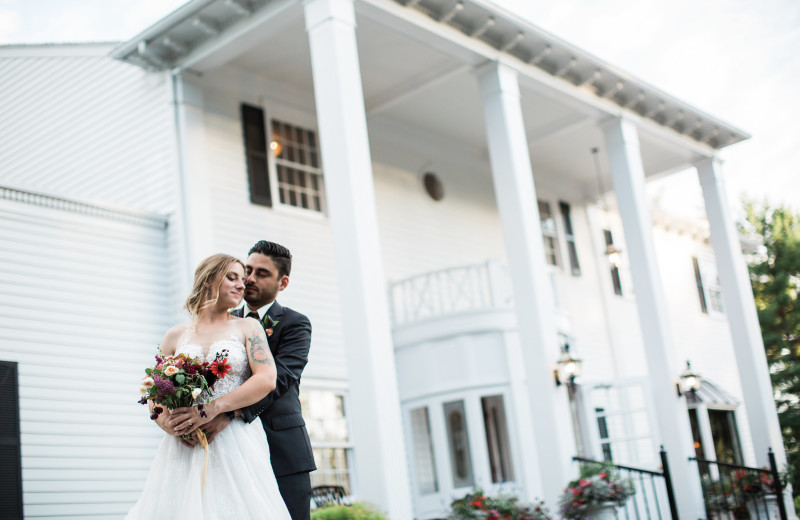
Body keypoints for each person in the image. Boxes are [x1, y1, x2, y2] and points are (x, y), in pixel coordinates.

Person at [125, 254, 291, 519]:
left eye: (243, 280)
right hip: (182, 445)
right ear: (209, 280)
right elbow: (153, 388)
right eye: (232, 277)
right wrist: (167, 423)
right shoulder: (176, 334)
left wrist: (213, 410)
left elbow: (266, 379)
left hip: (234, 441)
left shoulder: (249, 326)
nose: (241, 285)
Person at [199, 240, 316, 520]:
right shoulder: (224, 323)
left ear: (282, 282)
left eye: (261, 273)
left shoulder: (294, 323)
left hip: (282, 449)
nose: (249, 279)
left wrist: (230, 412)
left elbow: (284, 377)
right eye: (247, 269)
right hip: (229, 450)